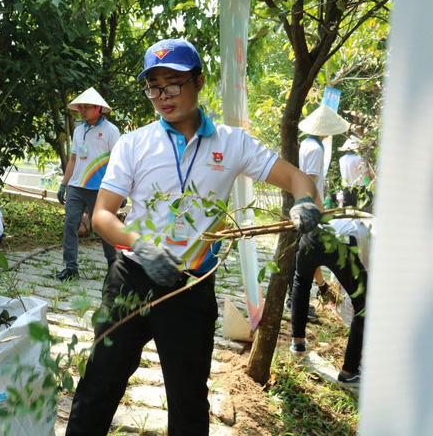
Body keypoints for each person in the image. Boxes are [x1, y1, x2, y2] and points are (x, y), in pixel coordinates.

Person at [65, 38, 322, 435]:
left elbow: (296, 177)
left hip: (191, 285)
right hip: (131, 280)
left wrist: (305, 202)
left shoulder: (232, 143)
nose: (162, 97)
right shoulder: (135, 143)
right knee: (98, 385)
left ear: (199, 82)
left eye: (173, 84)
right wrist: (140, 245)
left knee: (188, 401)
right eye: (154, 86)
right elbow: (102, 215)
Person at [290, 217, 370, 385]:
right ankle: (349, 372)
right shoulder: (375, 237)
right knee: (364, 305)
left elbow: (315, 264)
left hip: (310, 236)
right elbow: (364, 277)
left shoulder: (354, 222)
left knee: (301, 282)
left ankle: (297, 342)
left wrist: (322, 284)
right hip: (341, 244)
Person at [289, 104, 351, 314]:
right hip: (311, 207)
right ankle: (303, 297)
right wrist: (321, 209)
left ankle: (320, 288)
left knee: (306, 252)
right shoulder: (316, 148)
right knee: (309, 253)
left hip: (304, 204)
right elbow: (311, 181)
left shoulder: (306, 143)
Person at [55, 87, 121, 281]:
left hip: (100, 188)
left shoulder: (111, 131)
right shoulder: (79, 130)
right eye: (80, 107)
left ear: (98, 108)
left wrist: (119, 191)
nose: (81, 110)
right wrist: (63, 184)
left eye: (86, 107)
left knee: (103, 227)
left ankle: (113, 264)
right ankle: (71, 267)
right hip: (77, 186)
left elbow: (118, 162)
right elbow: (73, 160)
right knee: (70, 225)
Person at [339, 135, 374, 208]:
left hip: (346, 188)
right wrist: (374, 179)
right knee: (364, 209)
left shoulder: (341, 159)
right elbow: (367, 173)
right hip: (359, 188)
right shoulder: (358, 159)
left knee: (348, 211)